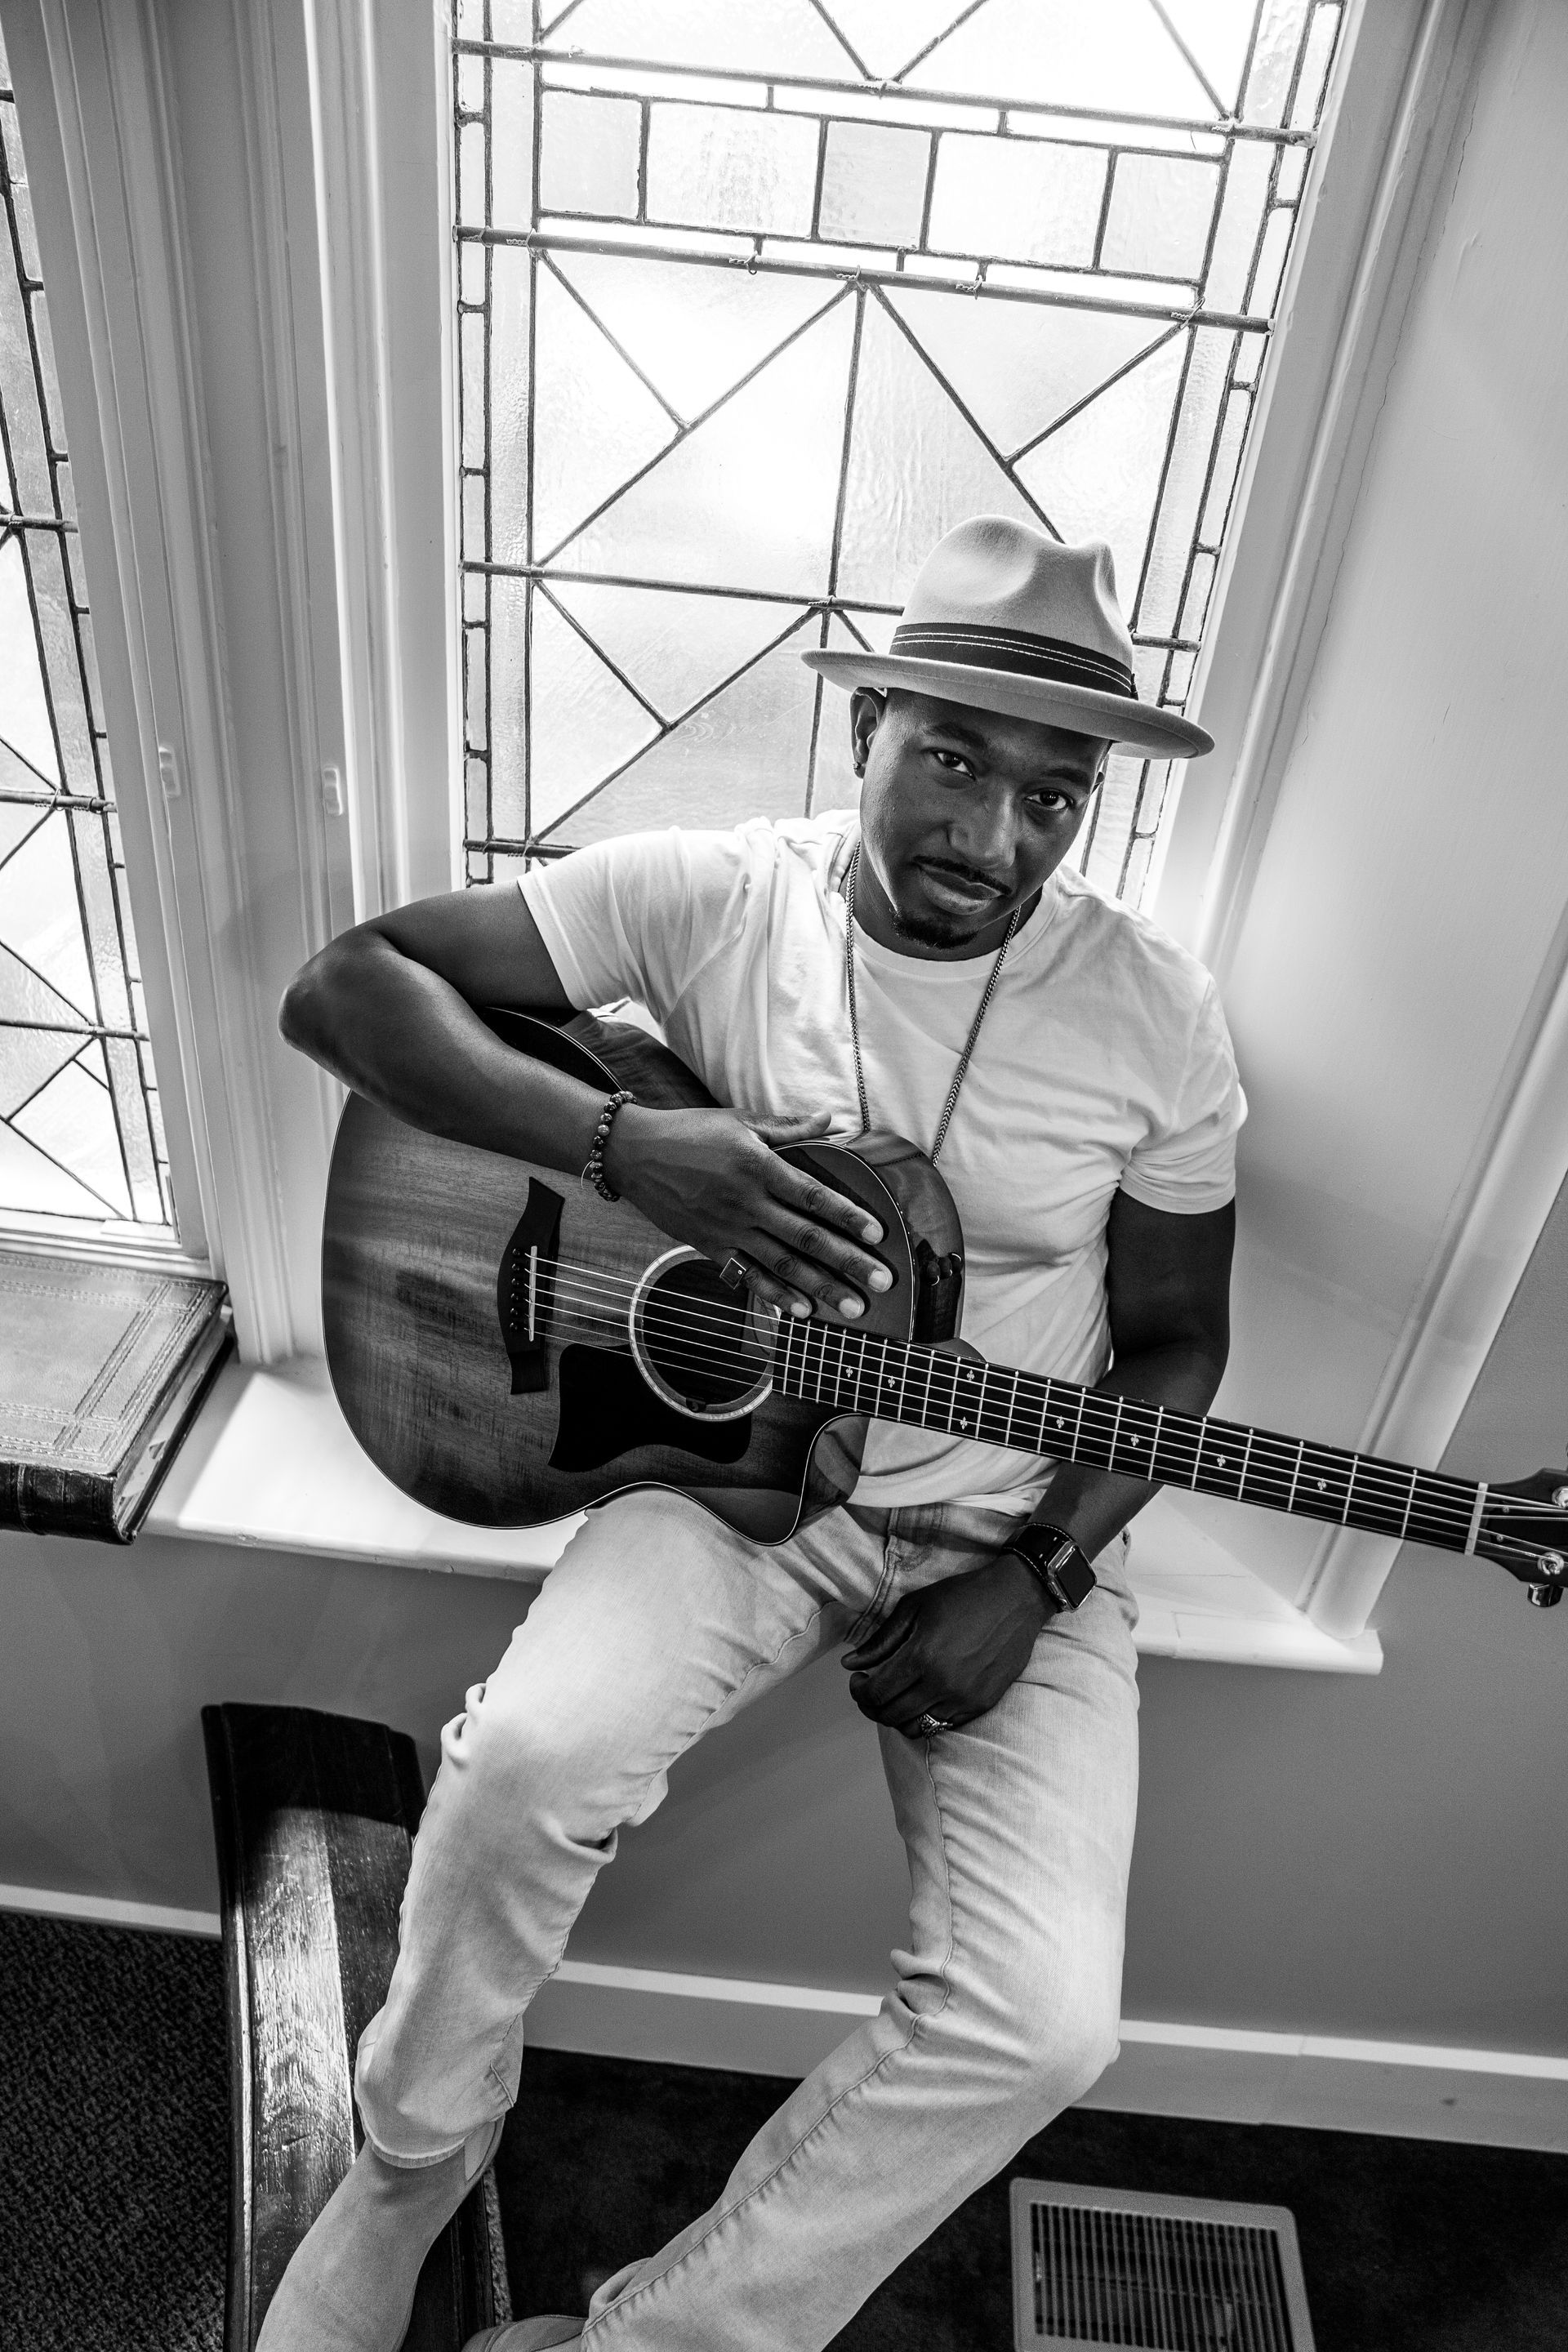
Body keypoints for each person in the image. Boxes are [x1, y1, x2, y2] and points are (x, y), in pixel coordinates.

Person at [262, 515, 1243, 2352]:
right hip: (734, 1480)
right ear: (868, 722)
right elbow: (345, 989)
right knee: (524, 1767)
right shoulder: (717, 895)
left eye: (1055, 795)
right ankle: (408, 2164)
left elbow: (1183, 1347)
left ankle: (650, 2340)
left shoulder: (1155, 1019)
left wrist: (1038, 1574)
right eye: (954, 761)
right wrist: (624, 1147)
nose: (995, 839)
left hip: (1015, 1517)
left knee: (1045, 2026)